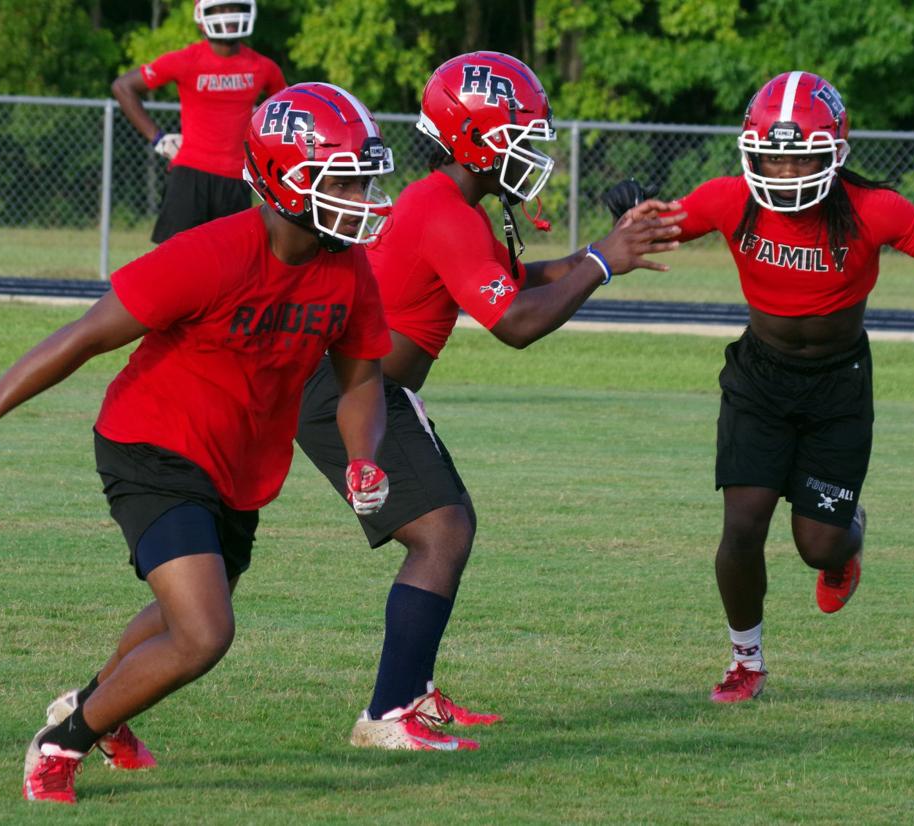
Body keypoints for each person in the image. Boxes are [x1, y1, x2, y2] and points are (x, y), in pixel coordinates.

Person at [0, 83, 396, 804]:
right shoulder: (209, 253)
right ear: (280, 177)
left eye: (363, 177)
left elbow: (361, 380)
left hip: (239, 465)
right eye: (340, 177)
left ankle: (95, 708)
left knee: (184, 615)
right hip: (151, 444)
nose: (359, 194)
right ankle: (64, 741)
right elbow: (85, 335)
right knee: (205, 631)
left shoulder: (347, 269)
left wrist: (363, 454)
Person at [293, 51, 686, 751]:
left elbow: (519, 281)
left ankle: (409, 694)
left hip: (368, 386)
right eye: (522, 136)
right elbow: (517, 323)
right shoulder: (444, 211)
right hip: (353, 390)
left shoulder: (451, 206)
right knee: (442, 532)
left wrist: (606, 249)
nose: (533, 152)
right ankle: (388, 713)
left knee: (448, 527)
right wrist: (599, 263)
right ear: (480, 139)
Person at [602, 70, 914, 703]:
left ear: (835, 152)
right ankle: (747, 660)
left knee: (818, 546)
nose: (787, 172)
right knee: (742, 526)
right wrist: (629, 213)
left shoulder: (875, 209)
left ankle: (848, 533)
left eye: (803, 158)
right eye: (775, 155)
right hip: (759, 378)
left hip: (838, 384)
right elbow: (658, 227)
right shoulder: (728, 197)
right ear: (753, 151)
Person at [112, 0, 286, 243]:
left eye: (234, 7)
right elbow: (123, 86)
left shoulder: (263, 67)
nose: (229, 15)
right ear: (204, 14)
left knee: (232, 267)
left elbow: (286, 110)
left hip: (237, 179)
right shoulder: (185, 60)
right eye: (221, 9)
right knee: (172, 263)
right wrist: (158, 139)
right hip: (189, 174)